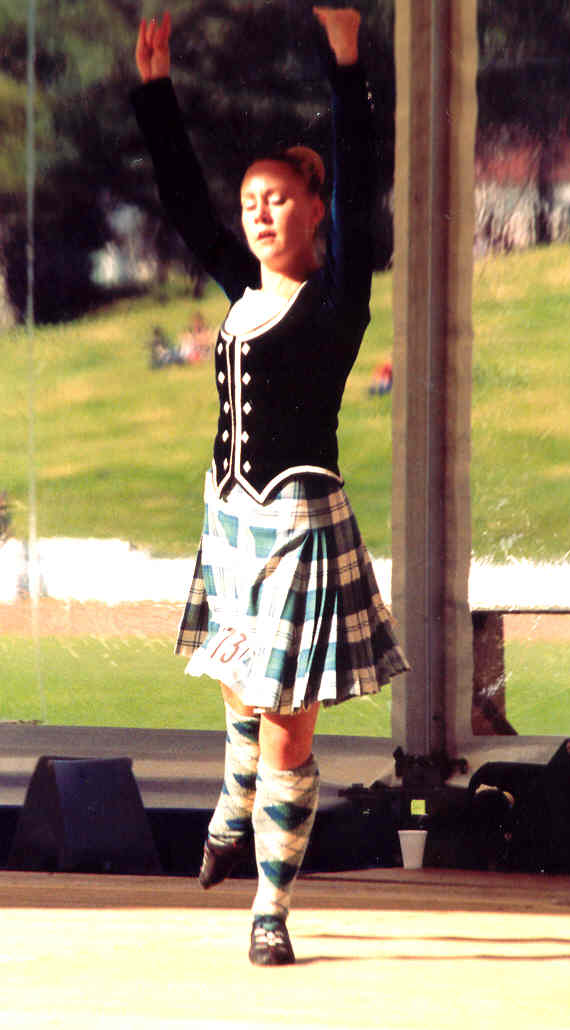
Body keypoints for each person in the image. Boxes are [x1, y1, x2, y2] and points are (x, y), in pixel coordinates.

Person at [133, 6, 408, 966]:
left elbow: (361, 175)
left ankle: (269, 908)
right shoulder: (238, 289)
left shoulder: (336, 302)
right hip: (229, 520)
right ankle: (230, 796)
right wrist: (155, 93)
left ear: (313, 211)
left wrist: (346, 61)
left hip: (297, 527)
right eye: (251, 198)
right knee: (239, 690)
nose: (258, 211)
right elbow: (182, 202)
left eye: (278, 198)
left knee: (286, 725)